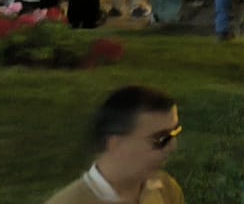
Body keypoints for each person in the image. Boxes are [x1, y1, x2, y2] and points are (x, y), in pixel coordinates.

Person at [41, 85, 186, 204]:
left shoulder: (165, 188)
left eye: (174, 133)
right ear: (115, 144)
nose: (173, 146)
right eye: (161, 138)